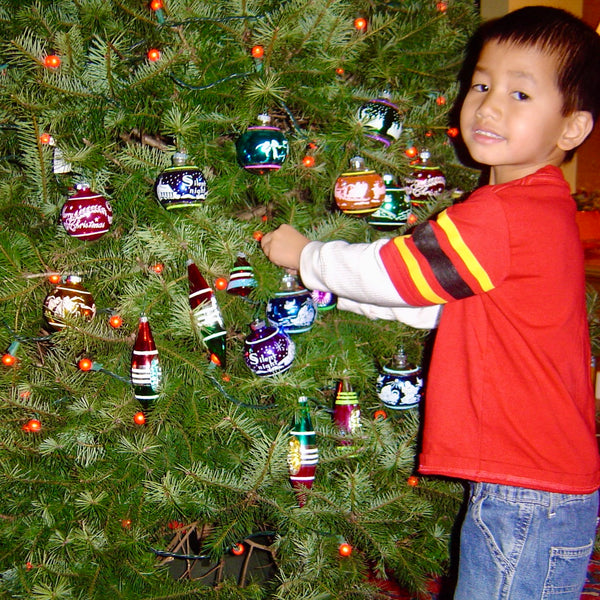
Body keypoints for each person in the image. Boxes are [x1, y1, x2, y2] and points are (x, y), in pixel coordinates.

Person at [261, 6, 600, 599]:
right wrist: (336, 291)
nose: (490, 105)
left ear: (571, 129)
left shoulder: (505, 213)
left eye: (521, 93)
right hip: (537, 486)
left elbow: (397, 273)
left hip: (526, 493)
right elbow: (443, 308)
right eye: (482, 85)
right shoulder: (537, 209)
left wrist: (306, 254)